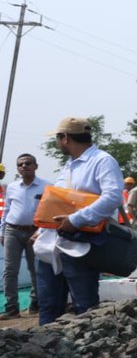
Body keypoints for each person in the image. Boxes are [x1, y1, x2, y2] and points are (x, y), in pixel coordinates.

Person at [34, 118, 124, 325]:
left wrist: (75, 220)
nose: (56, 143)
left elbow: (112, 197)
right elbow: (59, 202)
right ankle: (46, 344)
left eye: (57, 138)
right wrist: (41, 231)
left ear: (65, 138)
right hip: (52, 246)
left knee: (85, 306)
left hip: (82, 246)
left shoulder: (102, 161)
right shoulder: (70, 165)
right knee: (48, 305)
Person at [2, 154, 47, 319]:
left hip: (35, 232)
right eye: (20, 164)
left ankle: (35, 303)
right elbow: (7, 210)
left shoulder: (46, 186)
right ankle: (11, 308)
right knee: (9, 270)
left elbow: (49, 212)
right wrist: (2, 231)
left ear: (36, 166)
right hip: (12, 230)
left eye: (28, 163)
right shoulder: (12, 187)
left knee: (35, 269)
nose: (24, 166)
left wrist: (40, 231)